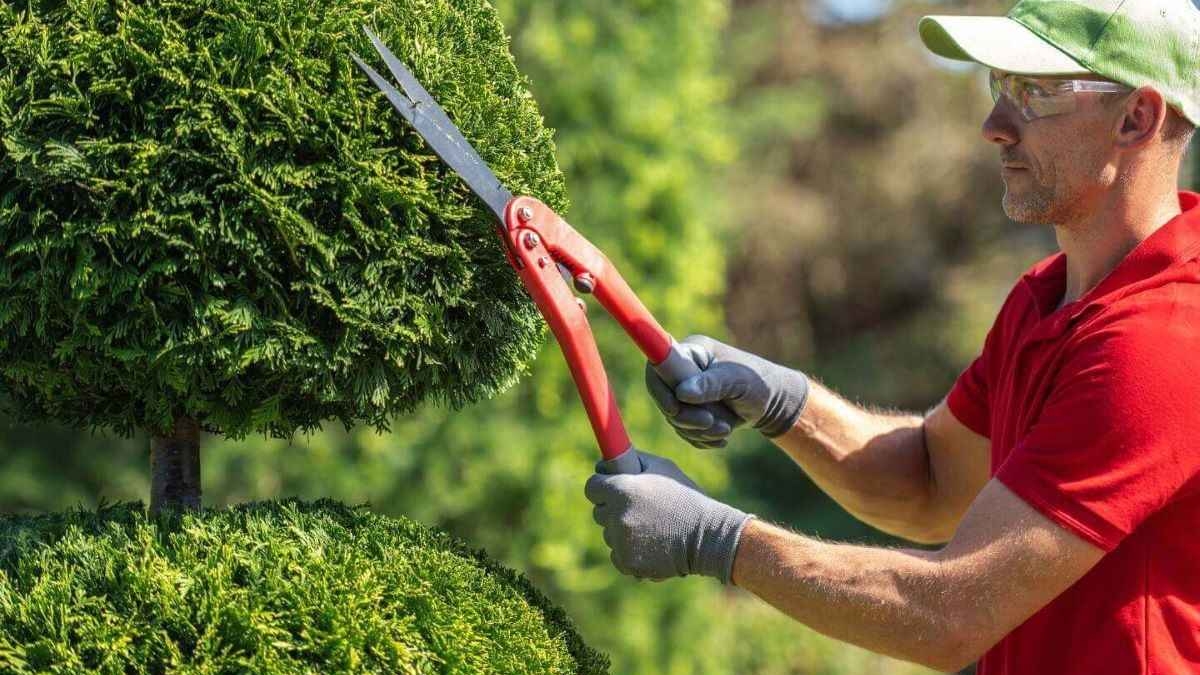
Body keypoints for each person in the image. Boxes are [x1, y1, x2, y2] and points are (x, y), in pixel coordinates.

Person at [584, 0, 1200, 672]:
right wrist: (779, 400)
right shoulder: (1046, 299)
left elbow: (948, 613)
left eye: (1034, 92)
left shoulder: (1164, 340)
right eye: (999, 85)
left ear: (1136, 118)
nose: (994, 125)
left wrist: (716, 539)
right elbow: (931, 483)